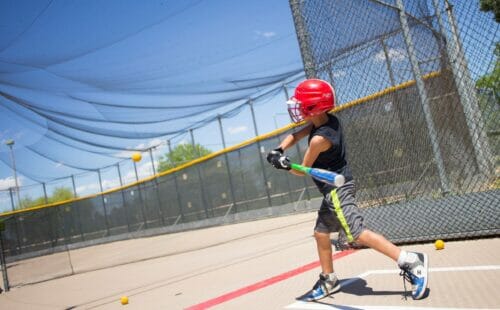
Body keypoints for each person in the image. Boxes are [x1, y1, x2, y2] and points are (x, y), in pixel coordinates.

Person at [266, 79, 428, 301]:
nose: (297, 106)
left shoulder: (320, 140)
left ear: (312, 107)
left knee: (357, 233)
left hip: (337, 190)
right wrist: (279, 149)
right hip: (332, 190)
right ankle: (329, 279)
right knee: (321, 233)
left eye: (301, 103)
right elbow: (296, 135)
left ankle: (410, 260)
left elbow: (303, 170)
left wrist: (284, 165)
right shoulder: (327, 121)